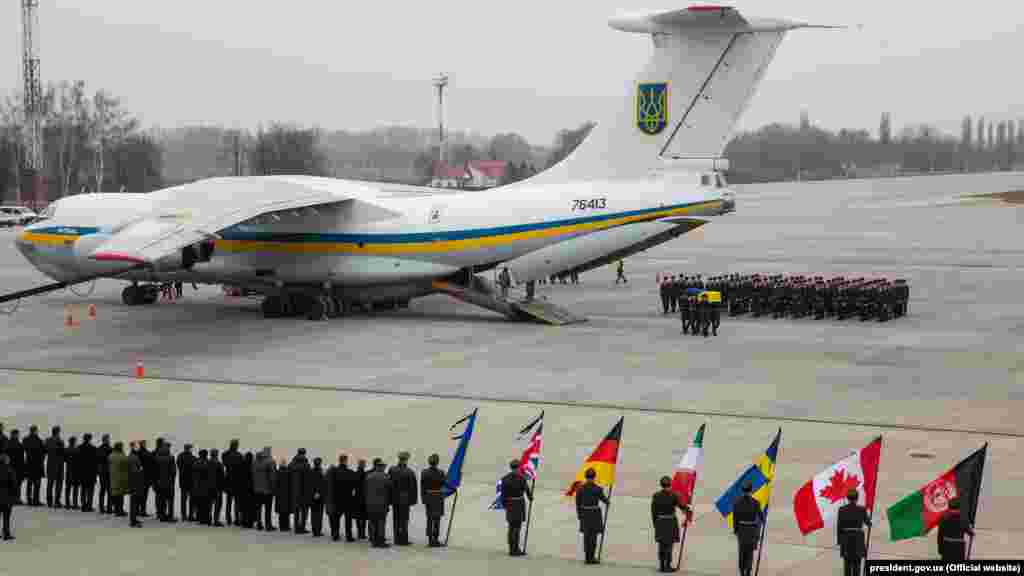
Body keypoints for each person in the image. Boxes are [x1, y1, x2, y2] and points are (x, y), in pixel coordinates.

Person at [651, 476, 692, 573]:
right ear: (670, 484)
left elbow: (653, 511)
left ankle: (661, 565)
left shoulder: (656, 495)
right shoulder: (674, 495)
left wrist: (655, 524)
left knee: (661, 545)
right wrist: (688, 508)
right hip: (670, 521)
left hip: (660, 521)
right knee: (669, 545)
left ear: (661, 485)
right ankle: (667, 565)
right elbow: (682, 506)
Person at [575, 467, 609, 565]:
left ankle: (587, 557)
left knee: (586, 537)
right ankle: (591, 558)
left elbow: (578, 504)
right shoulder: (598, 489)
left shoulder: (580, 489)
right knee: (593, 537)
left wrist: (579, 516)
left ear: (586, 477)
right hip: (594, 515)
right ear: (594, 477)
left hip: (585, 514)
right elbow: (604, 499)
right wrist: (608, 502)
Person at [500, 459, 533, 556]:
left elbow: (503, 494)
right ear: (518, 467)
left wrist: (505, 505)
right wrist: (530, 497)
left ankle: (511, 549)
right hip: (519, 504)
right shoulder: (521, 478)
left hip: (510, 504)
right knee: (517, 528)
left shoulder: (505, 478)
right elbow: (526, 490)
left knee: (511, 527)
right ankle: (516, 549)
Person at [837, 488, 871, 576]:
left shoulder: (842, 509)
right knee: (857, 565)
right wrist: (869, 520)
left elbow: (839, 526)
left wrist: (840, 542)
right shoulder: (862, 509)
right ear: (857, 498)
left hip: (846, 539)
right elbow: (868, 523)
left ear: (847, 498)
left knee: (847, 565)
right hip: (858, 539)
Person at [733, 481, 763, 576]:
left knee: (742, 553)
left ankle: (742, 572)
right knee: (750, 553)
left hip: (741, 531)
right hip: (751, 531)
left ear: (742, 491)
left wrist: (736, 530)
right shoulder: (755, 503)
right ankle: (748, 572)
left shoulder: (737, 503)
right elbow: (761, 517)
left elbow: (735, 518)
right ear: (751, 490)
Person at [388, 451, 418, 546]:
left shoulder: (392, 470)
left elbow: (389, 484)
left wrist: (389, 498)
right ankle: (404, 539)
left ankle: (397, 538)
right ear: (406, 460)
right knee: (404, 520)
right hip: (405, 499)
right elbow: (413, 488)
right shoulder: (410, 472)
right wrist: (414, 500)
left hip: (395, 499)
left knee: (396, 519)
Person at [327, 453, 356, 542]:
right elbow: (353, 485)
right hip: (348, 498)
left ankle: (335, 535)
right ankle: (348, 536)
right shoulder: (350, 472)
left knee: (336, 518)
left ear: (339, 460)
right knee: (348, 519)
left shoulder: (334, 472)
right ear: (345, 461)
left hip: (337, 498)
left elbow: (330, 484)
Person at [420, 453, 446, 547]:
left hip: (429, 497)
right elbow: (444, 484)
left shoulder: (424, 472)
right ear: (437, 462)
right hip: (438, 497)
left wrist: (423, 498)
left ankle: (430, 539)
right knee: (437, 519)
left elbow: (422, 487)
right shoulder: (441, 472)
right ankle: (435, 539)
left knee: (430, 519)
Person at [365, 458, 392, 548]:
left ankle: (373, 540)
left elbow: (365, 491)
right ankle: (380, 541)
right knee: (381, 523)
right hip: (382, 504)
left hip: (370, 504)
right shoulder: (386, 477)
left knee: (372, 522)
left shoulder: (369, 476)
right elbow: (389, 491)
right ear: (382, 467)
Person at [252, 448, 275, 530]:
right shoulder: (270, 462)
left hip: (257, 489)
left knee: (258, 507)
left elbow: (252, 475)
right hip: (267, 490)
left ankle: (259, 523)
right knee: (268, 509)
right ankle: (268, 525)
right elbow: (272, 477)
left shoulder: (254, 462)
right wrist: (273, 488)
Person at [290, 448, 312, 534]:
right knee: (304, 510)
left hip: (294, 490)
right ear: (304, 454)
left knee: (296, 510)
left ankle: (296, 527)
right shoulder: (306, 465)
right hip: (304, 491)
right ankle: (302, 527)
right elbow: (308, 479)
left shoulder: (291, 464)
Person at [222, 439, 244, 526]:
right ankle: (237, 519)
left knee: (229, 501)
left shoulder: (225, 454)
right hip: (237, 481)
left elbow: (225, 463)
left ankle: (228, 519)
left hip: (228, 480)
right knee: (236, 502)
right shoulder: (239, 455)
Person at [22, 425, 44, 507]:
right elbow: (44, 451)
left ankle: (29, 500)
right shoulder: (39, 440)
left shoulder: (25, 440)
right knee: (37, 484)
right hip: (37, 465)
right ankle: (36, 500)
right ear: (35, 431)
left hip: (29, 464)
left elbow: (24, 449)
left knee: (29, 483)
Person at [155, 441, 177, 522]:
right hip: (169, 482)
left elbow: (155, 471)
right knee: (170, 500)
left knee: (161, 500)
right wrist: (172, 481)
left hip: (159, 482)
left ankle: (161, 515)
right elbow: (173, 471)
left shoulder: (157, 457)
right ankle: (170, 516)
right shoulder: (171, 458)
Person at [108, 442, 129, 517]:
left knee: (115, 494)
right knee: (120, 495)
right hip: (121, 477)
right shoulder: (121, 456)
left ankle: (116, 510)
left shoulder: (111, 456)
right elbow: (126, 464)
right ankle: (120, 510)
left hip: (113, 477)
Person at [77, 433, 98, 511]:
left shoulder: (79, 448)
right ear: (90, 439)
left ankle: (83, 505)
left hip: (82, 472)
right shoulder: (93, 449)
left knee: (83, 489)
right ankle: (89, 505)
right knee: (90, 490)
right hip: (91, 472)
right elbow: (95, 462)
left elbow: (77, 462)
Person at [126, 442, 144, 527]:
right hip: (135, 481)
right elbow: (136, 470)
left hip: (131, 481)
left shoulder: (129, 457)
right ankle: (133, 520)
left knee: (133, 501)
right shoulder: (134, 457)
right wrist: (140, 472)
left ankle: (133, 519)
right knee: (134, 501)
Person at [176, 444, 195, 521]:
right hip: (191, 480)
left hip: (183, 479)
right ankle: (191, 515)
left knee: (183, 498)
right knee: (191, 499)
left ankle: (184, 515)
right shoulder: (193, 458)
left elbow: (178, 466)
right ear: (189, 449)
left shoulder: (180, 456)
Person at [192, 449, 211, 525]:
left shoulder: (196, 463)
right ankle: (205, 518)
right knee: (206, 503)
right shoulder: (207, 463)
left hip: (197, 485)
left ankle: (199, 517)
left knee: (199, 502)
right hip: (205, 486)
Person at [274, 458, 293, 532]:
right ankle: (286, 526)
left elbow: (275, 483)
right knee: (286, 512)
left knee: (281, 512)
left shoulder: (278, 472)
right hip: (287, 495)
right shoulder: (288, 472)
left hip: (279, 495)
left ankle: (282, 526)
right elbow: (290, 484)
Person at [6, 429, 23, 505]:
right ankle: (16, 499)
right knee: (17, 484)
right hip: (17, 466)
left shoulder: (8, 443)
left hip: (10, 466)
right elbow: (21, 457)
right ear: (15, 435)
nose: (18, 435)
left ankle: (11, 498)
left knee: (11, 484)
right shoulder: (18, 444)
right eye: (17, 434)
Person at [353, 459, 369, 540]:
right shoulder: (365, 474)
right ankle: (362, 533)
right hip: (363, 497)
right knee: (363, 517)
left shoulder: (355, 473)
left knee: (358, 517)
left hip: (357, 497)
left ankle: (360, 533)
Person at [310, 457, 326, 537]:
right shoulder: (321, 472)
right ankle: (318, 530)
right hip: (320, 496)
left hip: (312, 495)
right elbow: (322, 484)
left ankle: (314, 530)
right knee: (319, 514)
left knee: (313, 513)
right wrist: (319, 493)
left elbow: (309, 484)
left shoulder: (311, 471)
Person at [0, 454, 15, 540]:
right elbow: (13, 485)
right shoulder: (9, 470)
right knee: (6, 516)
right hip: (7, 496)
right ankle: (6, 533)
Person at [97, 434, 113, 514]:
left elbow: (96, 461)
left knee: (102, 490)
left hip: (101, 471)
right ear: (106, 440)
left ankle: (101, 507)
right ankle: (109, 508)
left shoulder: (99, 449)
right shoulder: (110, 449)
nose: (109, 440)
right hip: (108, 471)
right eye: (108, 439)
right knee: (109, 490)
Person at [209, 448, 225, 526]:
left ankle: (209, 518)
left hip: (209, 486)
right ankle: (216, 520)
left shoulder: (208, 463)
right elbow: (222, 476)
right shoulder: (219, 464)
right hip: (217, 487)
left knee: (209, 504)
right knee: (218, 504)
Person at [64, 435, 78, 509]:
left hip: (68, 470)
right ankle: (75, 503)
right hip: (75, 471)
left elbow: (65, 460)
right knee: (75, 488)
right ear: (74, 442)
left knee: (68, 488)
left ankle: (67, 503)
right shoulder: (77, 450)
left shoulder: (66, 450)